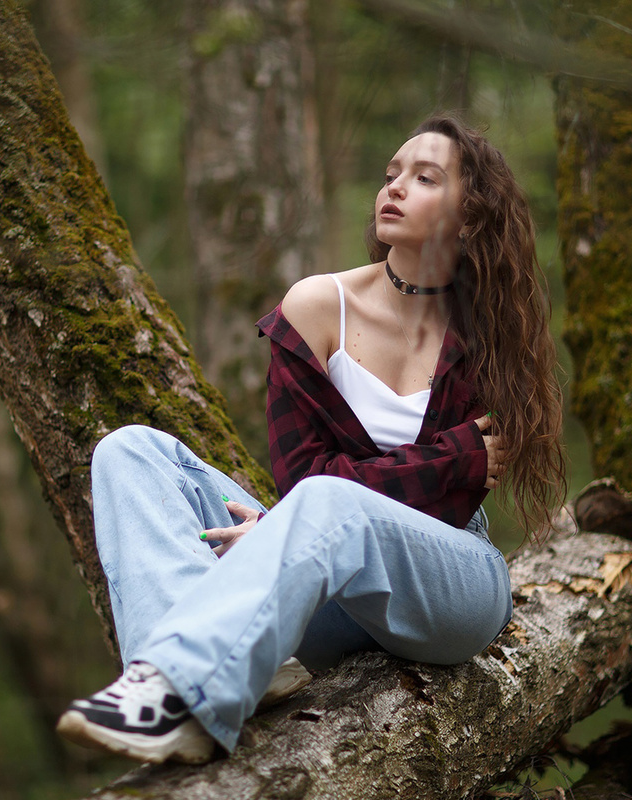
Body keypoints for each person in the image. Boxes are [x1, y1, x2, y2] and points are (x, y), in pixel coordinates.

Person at [55, 112, 566, 765]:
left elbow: (449, 499)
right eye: (391, 175)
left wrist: (294, 524)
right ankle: (197, 680)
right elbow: (304, 478)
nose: (395, 187)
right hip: (323, 582)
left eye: (425, 177)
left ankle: (183, 681)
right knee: (129, 450)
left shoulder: (489, 330)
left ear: (469, 218)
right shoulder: (318, 308)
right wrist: (451, 455)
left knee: (330, 504)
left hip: (449, 583)